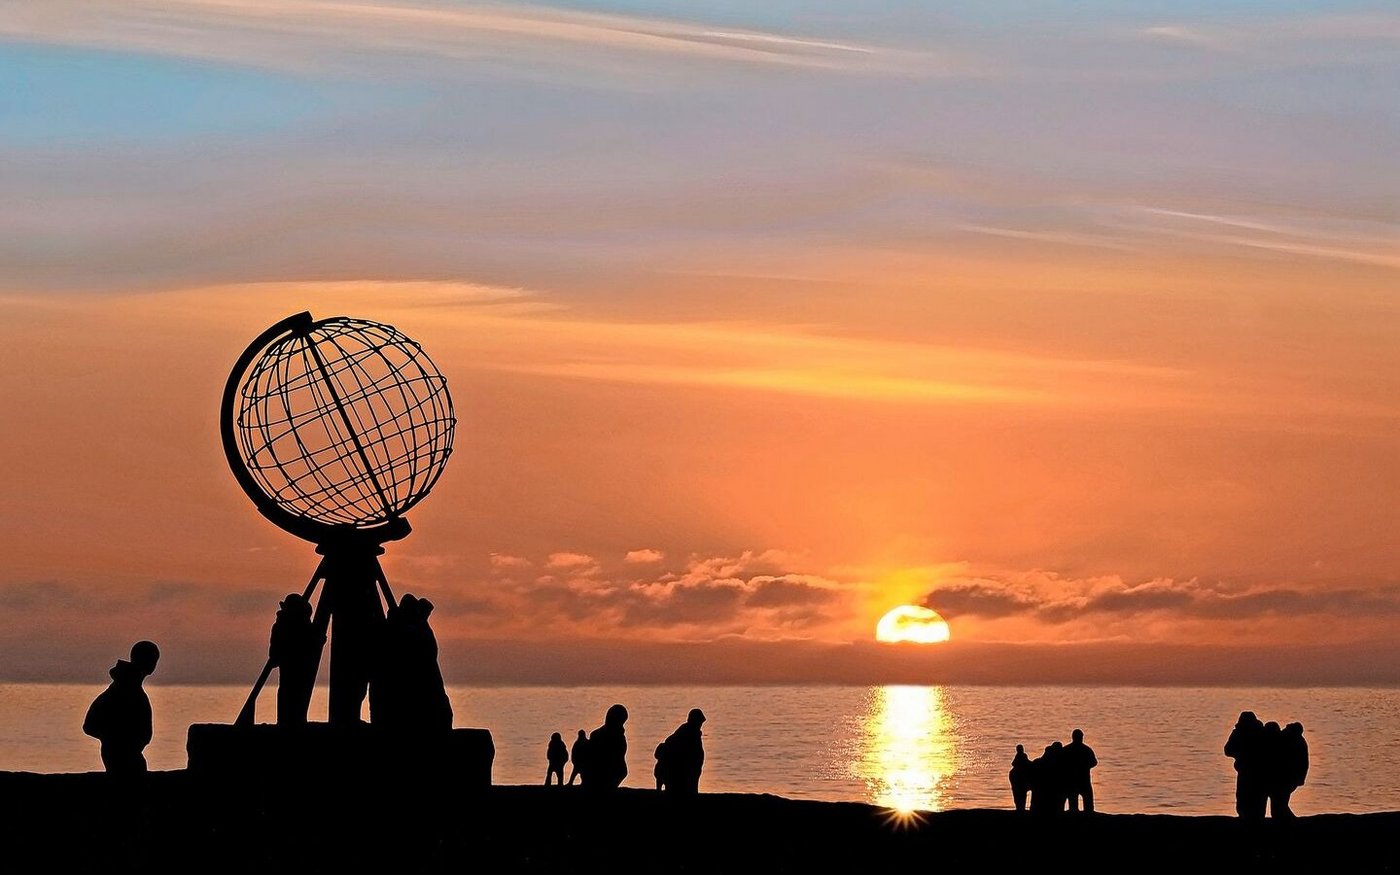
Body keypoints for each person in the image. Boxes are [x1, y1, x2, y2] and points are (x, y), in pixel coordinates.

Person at [372, 593, 452, 732]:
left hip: (426, 710)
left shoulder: (418, 635)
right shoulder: (418, 632)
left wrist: (393, 624)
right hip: (418, 710)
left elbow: (409, 643)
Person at [83, 641, 160, 775]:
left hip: (128, 758)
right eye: (153, 659)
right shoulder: (123, 690)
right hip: (123, 761)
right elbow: (89, 725)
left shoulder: (128, 689)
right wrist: (118, 740)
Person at [268, 593, 323, 726]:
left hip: (294, 669)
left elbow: (274, 654)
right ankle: (289, 722)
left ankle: (289, 722)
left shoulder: (283, 625)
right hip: (295, 669)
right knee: (292, 694)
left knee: (290, 695)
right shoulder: (292, 627)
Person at [1224, 710, 1267, 820]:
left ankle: (1247, 817)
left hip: (1250, 770)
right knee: (1256, 796)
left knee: (1246, 795)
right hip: (1256, 770)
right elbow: (1228, 750)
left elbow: (1228, 750)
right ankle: (1254, 817)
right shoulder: (1260, 732)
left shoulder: (1239, 732)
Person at [660, 708, 706, 795]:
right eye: (700, 722)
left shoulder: (693, 732)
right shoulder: (686, 731)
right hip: (682, 771)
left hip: (691, 769)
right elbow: (669, 742)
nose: (701, 725)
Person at [583, 704, 629, 790]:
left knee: (621, 771)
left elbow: (620, 754)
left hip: (611, 769)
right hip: (601, 770)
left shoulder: (598, 734)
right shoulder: (598, 735)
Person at [1273, 722, 1309, 818]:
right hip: (1291, 777)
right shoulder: (1298, 741)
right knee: (1280, 801)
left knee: (1280, 802)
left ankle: (1289, 821)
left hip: (1288, 777)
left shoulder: (1290, 740)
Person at [1064, 728, 1099, 813]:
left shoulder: (1066, 749)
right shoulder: (1086, 749)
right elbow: (1094, 762)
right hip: (1083, 780)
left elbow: (1061, 763)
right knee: (1087, 803)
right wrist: (1086, 766)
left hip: (1073, 780)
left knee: (1074, 804)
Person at [1008, 744, 1032, 812]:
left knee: (1018, 794)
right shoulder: (1021, 756)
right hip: (1020, 777)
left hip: (1018, 777)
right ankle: (1020, 808)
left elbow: (1013, 763)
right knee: (1020, 794)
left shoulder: (1021, 755)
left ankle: (1020, 808)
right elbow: (1014, 763)